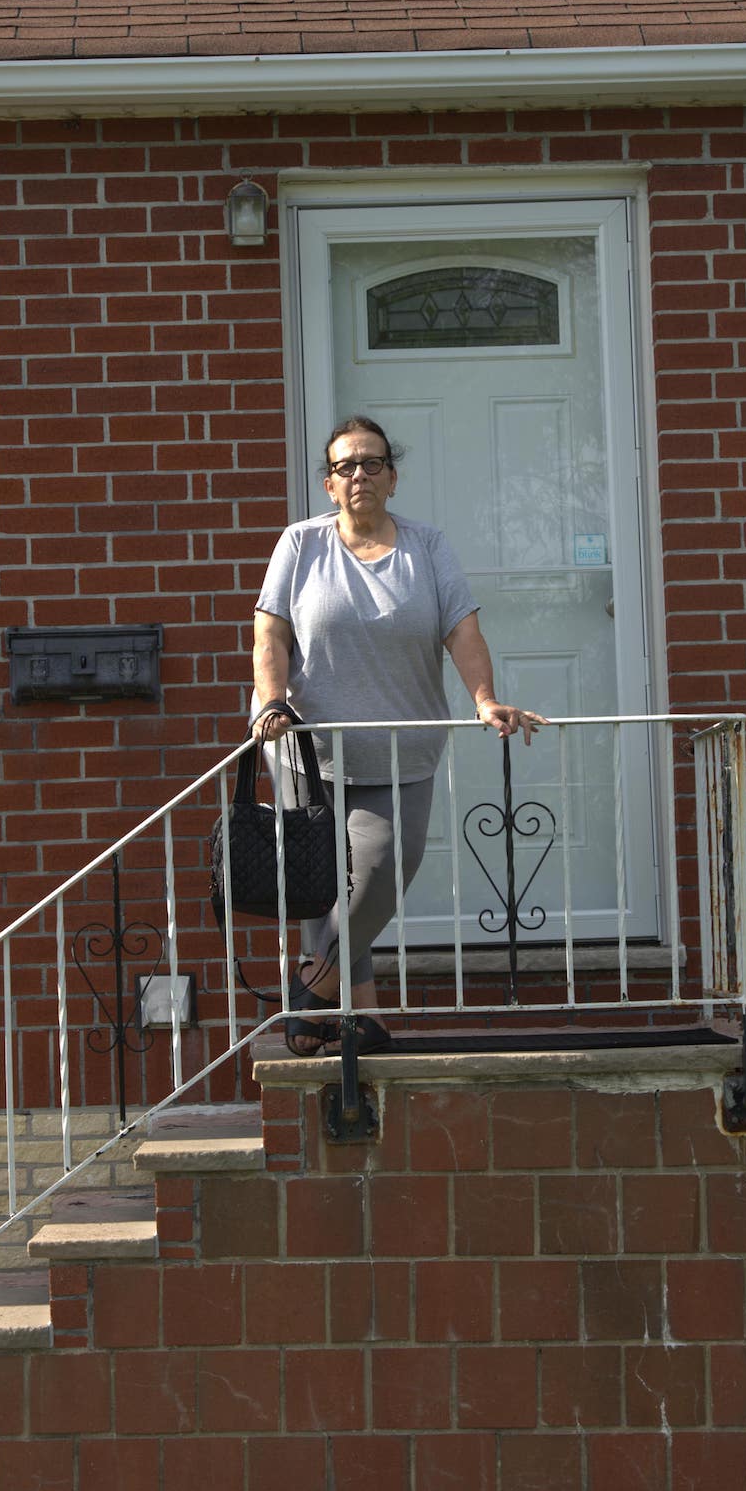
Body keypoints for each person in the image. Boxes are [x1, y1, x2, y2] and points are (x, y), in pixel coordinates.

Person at [251, 414, 541, 1055]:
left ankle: (311, 991)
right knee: (319, 887)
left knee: (379, 873)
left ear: (392, 475)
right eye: (346, 466)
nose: (359, 474)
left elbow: (462, 631)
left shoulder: (427, 547)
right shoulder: (300, 546)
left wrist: (485, 699)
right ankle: (361, 1019)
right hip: (306, 747)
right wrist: (271, 701)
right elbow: (270, 634)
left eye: (372, 463)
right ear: (329, 483)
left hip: (402, 747)